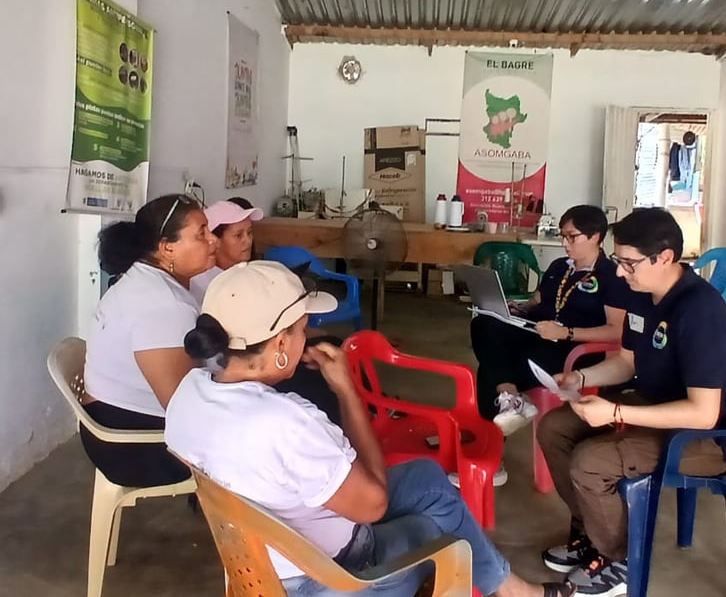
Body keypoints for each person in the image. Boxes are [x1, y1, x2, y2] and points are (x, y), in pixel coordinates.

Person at [164, 261, 574, 597]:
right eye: (303, 329)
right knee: (442, 534)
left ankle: (512, 589)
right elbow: (373, 504)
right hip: (330, 577)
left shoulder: (190, 391)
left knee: (426, 477)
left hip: (254, 562)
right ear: (281, 345)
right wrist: (347, 390)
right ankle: (499, 587)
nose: (308, 336)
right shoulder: (287, 421)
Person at [537, 208, 726, 597]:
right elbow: (627, 362)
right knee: (555, 427)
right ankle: (592, 534)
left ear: (665, 257)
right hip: (657, 404)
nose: (620, 273)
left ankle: (620, 561)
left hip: (706, 436)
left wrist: (615, 411)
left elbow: (704, 413)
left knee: (590, 460)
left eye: (628, 263)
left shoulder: (699, 310)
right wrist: (582, 378)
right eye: (618, 261)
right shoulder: (642, 296)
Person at [82, 194, 217, 487]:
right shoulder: (164, 303)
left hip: (109, 424)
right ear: (167, 247)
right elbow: (182, 408)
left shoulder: (144, 277)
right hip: (131, 446)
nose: (213, 240)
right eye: (201, 234)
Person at [471, 205, 631, 438]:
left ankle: (496, 428)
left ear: (595, 236)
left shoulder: (611, 276)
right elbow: (538, 299)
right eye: (562, 236)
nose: (565, 243)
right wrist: (520, 308)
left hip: (572, 346)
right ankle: (511, 398)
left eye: (572, 237)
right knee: (484, 324)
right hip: (537, 331)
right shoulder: (559, 266)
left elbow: (616, 331)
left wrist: (566, 332)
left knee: (495, 366)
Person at [191, 197, 344, 426]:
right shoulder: (214, 286)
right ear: (215, 240)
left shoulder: (246, 274)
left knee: (332, 345)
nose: (247, 241)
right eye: (238, 235)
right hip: (245, 365)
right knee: (321, 380)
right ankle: (346, 423)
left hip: (257, 358)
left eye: (249, 233)